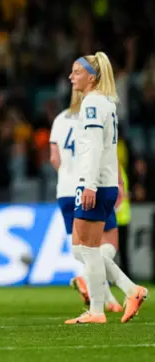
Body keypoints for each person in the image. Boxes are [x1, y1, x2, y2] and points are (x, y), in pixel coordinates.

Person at [65, 52, 148, 325]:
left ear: (92, 77)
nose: (71, 76)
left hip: (94, 184)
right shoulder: (107, 103)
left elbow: (93, 149)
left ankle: (101, 308)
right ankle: (128, 291)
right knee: (84, 248)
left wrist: (88, 184)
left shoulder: (91, 104)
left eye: (77, 72)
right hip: (105, 183)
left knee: (86, 249)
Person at [49, 89, 122, 313]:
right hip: (91, 185)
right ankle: (96, 285)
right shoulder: (95, 114)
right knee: (107, 244)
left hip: (65, 190)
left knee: (81, 249)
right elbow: (101, 150)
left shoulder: (60, 119)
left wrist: (67, 175)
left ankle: (108, 301)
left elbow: (54, 158)